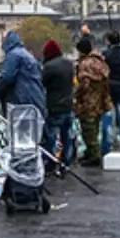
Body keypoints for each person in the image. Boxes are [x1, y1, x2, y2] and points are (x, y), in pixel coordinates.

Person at [74, 34, 113, 166]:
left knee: (88, 128)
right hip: (100, 99)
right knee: (95, 127)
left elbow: (83, 85)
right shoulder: (100, 61)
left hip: (88, 101)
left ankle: (94, 155)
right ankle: (91, 152)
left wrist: (75, 94)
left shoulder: (85, 64)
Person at [0, 30, 46, 118]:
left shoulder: (13, 55)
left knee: (20, 130)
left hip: (21, 103)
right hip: (35, 102)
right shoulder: (27, 55)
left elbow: (6, 78)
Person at [41, 39, 76, 174]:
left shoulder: (49, 67)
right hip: (68, 104)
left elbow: (42, 83)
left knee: (52, 136)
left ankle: (52, 162)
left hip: (55, 106)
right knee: (66, 135)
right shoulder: (68, 64)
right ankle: (66, 162)